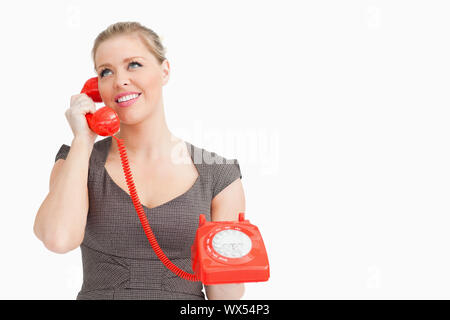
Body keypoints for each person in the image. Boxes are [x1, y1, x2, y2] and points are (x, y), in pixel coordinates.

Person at [33, 21, 245, 300]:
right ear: (95, 87)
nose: (120, 80)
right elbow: (58, 239)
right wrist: (83, 139)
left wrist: (232, 252)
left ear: (165, 71)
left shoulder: (218, 175)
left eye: (134, 64)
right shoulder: (77, 160)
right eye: (105, 71)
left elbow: (226, 298)